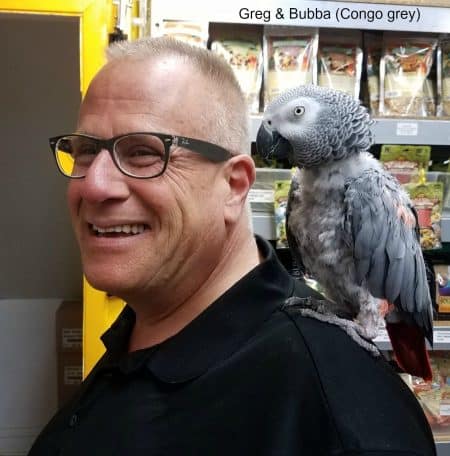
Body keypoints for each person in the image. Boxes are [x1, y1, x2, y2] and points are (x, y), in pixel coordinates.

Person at [29, 36, 436, 455]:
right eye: (84, 151)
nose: (93, 186)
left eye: (144, 153)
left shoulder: (341, 417)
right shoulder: (139, 328)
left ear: (235, 184)